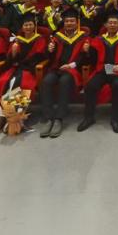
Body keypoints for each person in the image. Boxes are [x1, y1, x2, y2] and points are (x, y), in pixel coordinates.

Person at [78, 13, 118, 133]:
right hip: (102, 70)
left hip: (116, 71)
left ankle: (115, 118)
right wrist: (87, 52)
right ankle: (89, 117)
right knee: (90, 86)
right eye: (110, 23)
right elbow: (92, 59)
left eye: (115, 23)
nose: (112, 25)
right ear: (105, 25)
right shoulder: (98, 39)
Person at [38, 8, 89, 138]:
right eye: (67, 21)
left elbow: (85, 58)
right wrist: (49, 50)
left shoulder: (84, 37)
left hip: (73, 70)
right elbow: (50, 57)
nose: (69, 23)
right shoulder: (57, 36)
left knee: (64, 81)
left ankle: (59, 119)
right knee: (46, 81)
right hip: (57, 68)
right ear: (64, 23)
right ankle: (49, 117)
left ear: (77, 22)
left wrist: (72, 64)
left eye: (72, 21)